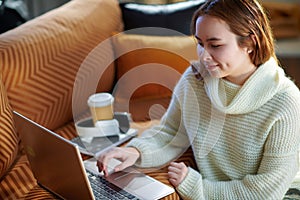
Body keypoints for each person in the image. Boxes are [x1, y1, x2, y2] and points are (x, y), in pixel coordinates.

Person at [97, 0, 300, 199]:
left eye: (215, 45)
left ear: (250, 43)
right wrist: (134, 152)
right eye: (200, 44)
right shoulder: (196, 78)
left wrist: (196, 186)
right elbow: (171, 131)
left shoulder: (286, 102)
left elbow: (266, 191)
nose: (204, 56)